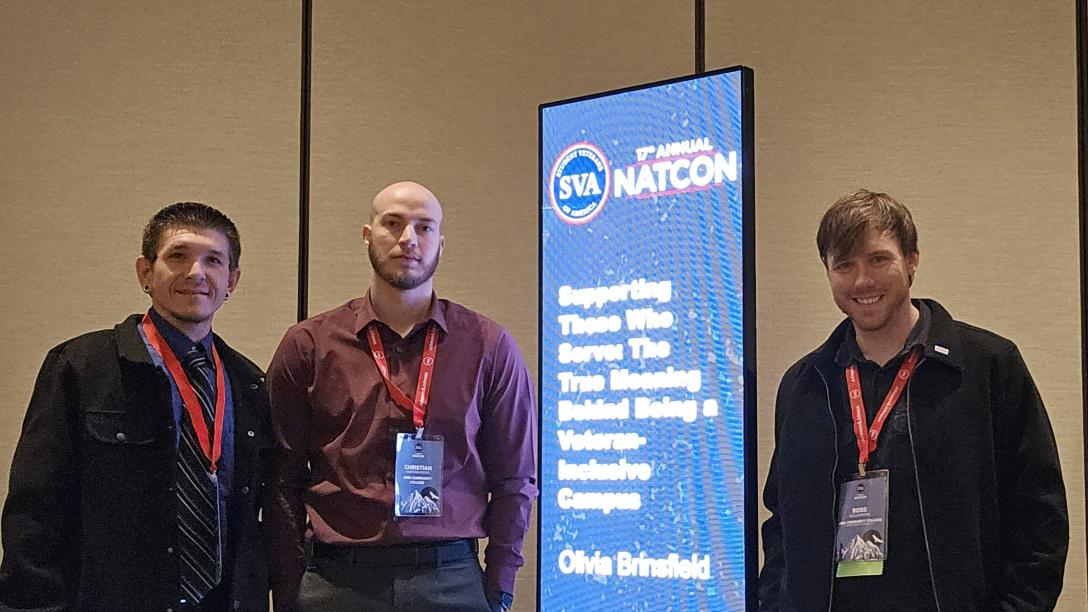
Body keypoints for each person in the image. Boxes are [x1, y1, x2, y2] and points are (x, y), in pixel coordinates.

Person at [759, 190, 1068, 611]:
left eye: (878, 259)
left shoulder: (988, 366)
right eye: (844, 265)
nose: (862, 281)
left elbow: (1039, 518)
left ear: (912, 261)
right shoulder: (805, 384)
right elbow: (782, 522)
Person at [266, 181, 537, 612]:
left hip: (451, 580)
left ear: (440, 244)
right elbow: (281, 478)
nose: (408, 238)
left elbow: (516, 480)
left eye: (424, 227)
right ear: (367, 235)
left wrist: (499, 587)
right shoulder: (309, 345)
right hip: (335, 583)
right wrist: (288, 588)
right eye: (392, 223)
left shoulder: (489, 346)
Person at [0, 202, 273, 611]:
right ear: (145, 272)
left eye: (213, 260)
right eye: (177, 256)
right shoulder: (81, 366)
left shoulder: (248, 382)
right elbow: (35, 509)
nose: (196, 273)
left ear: (231, 280)